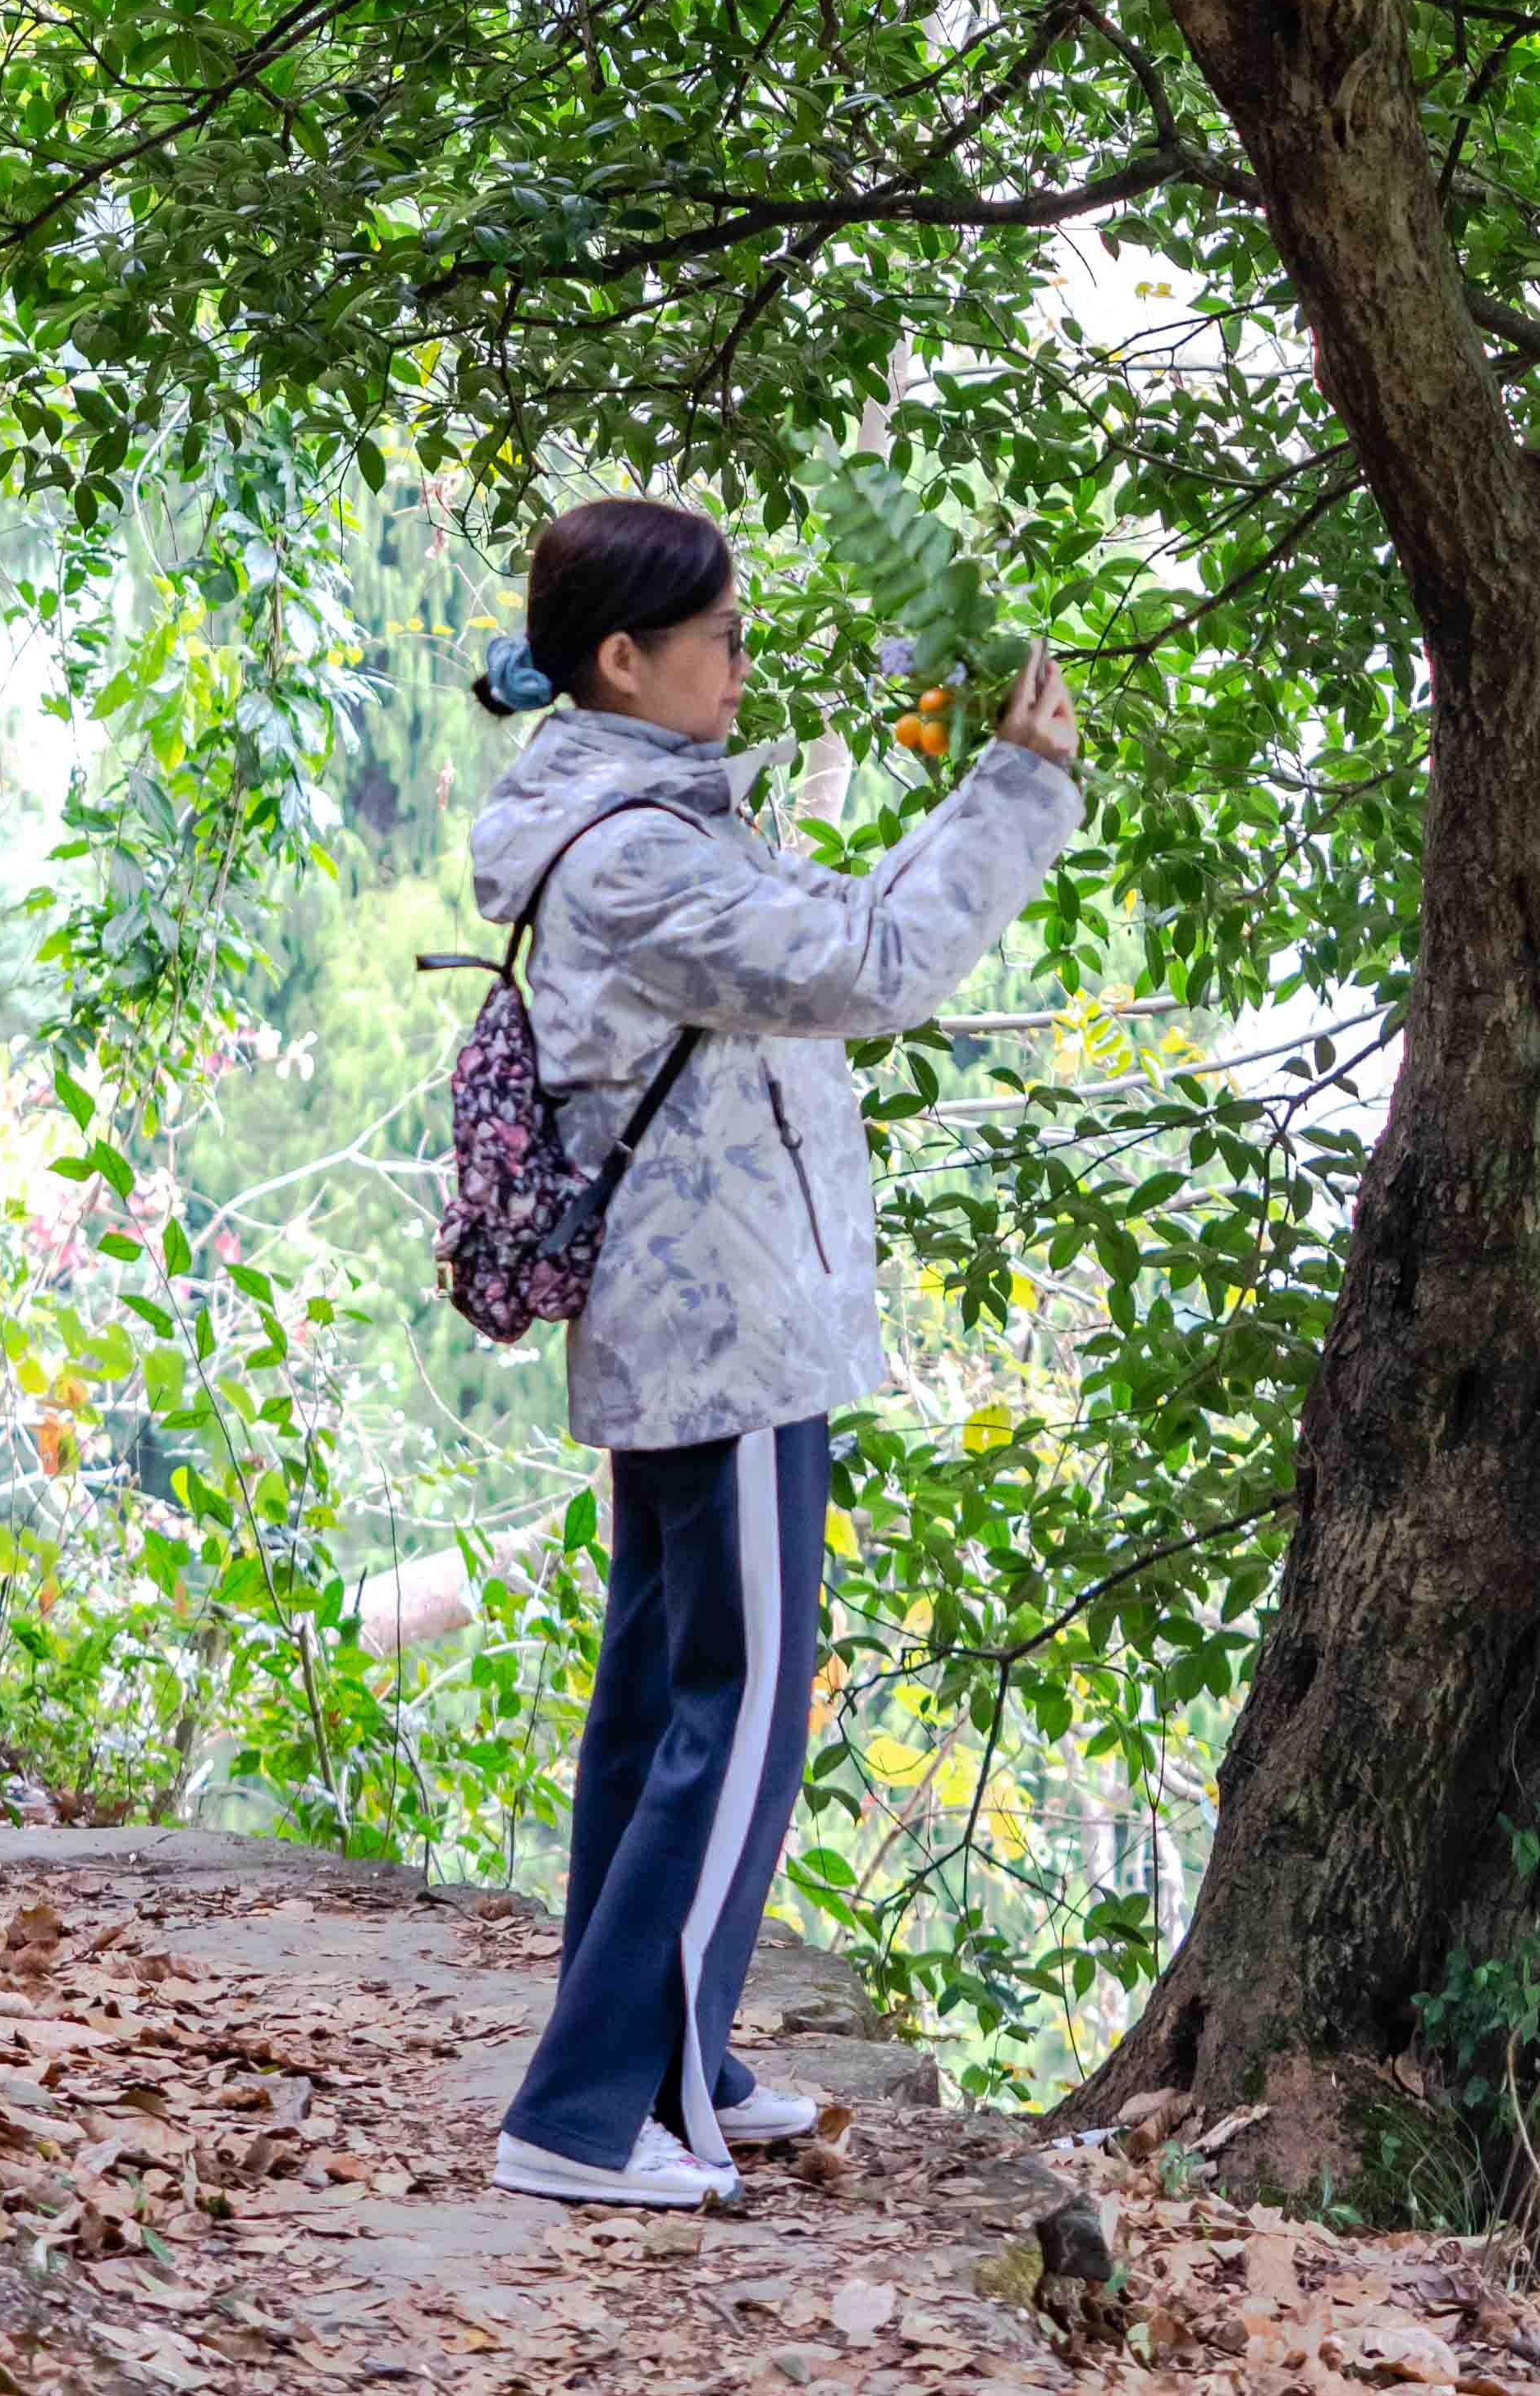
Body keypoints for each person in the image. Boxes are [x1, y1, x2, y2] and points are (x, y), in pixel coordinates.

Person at [464, 488, 1085, 2210]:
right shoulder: (645, 855)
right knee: (734, 1718)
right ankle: (591, 2113)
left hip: (703, 1329)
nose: (743, 662)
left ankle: (679, 2050)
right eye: (721, 636)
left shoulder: (654, 815)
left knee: (664, 1700)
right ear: (622, 658)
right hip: (721, 1334)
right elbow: (879, 965)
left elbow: (840, 923)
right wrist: (1025, 787)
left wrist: (976, 783)